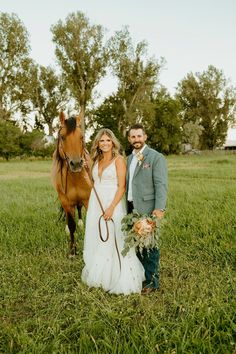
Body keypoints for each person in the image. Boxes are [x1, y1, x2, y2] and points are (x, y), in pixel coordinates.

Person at [82, 128, 145, 295]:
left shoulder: (118, 160)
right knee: (99, 236)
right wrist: (86, 173)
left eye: (107, 140)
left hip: (113, 203)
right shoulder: (96, 160)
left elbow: (122, 187)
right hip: (97, 203)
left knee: (115, 237)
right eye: (101, 141)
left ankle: (118, 276)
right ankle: (101, 275)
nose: (104, 143)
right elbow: (94, 184)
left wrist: (111, 208)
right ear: (98, 143)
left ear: (113, 142)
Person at [126, 123, 168, 295]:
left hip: (148, 207)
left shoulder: (156, 157)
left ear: (145, 137)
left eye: (139, 136)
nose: (136, 139)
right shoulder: (128, 158)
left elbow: (161, 185)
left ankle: (152, 282)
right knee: (136, 245)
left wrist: (159, 208)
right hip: (130, 207)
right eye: (133, 136)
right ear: (129, 139)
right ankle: (140, 277)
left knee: (150, 246)